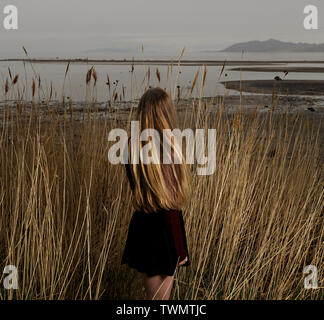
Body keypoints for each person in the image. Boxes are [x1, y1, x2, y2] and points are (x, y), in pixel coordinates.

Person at [121, 87, 191, 300]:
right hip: (166, 226)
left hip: (144, 225)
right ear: (166, 114)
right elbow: (172, 198)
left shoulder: (130, 149)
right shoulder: (171, 149)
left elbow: (143, 192)